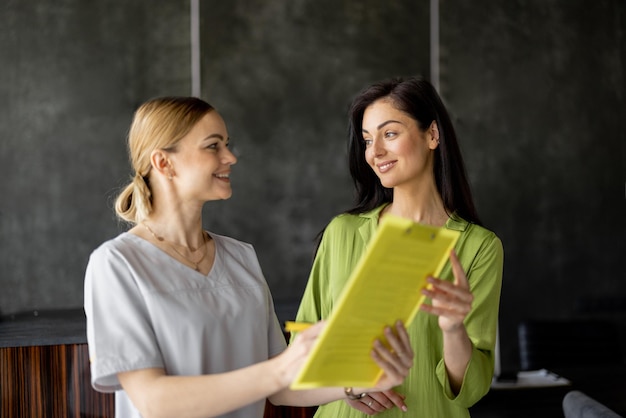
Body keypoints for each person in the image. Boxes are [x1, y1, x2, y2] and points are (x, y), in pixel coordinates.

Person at [83, 96, 415, 418]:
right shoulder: (117, 265)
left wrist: (357, 382)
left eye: (228, 144)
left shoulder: (240, 258)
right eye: (213, 146)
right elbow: (155, 402)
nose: (230, 157)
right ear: (163, 162)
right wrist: (282, 368)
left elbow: (283, 388)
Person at [293, 76, 504, 417]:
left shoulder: (478, 247)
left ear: (432, 135)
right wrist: (346, 389)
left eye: (389, 134)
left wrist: (452, 329)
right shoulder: (342, 233)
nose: (374, 152)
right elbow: (299, 355)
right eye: (366, 140)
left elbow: (471, 390)